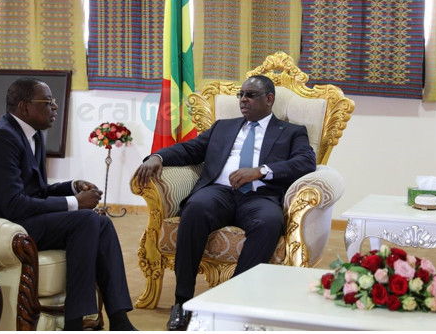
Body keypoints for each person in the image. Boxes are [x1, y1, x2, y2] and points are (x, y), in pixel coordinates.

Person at [0, 77, 137, 331]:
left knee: (101, 223)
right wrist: (75, 203)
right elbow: (15, 204)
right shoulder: (3, 139)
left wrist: (73, 187)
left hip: (18, 217)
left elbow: (36, 191)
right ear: (24, 107)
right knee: (85, 219)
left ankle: (119, 320)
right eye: (48, 102)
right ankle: (74, 322)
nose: (55, 107)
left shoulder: (35, 135)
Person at [134, 75, 316, 331]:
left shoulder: (292, 132)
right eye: (241, 95)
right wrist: (157, 157)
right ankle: (183, 303)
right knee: (196, 208)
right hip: (218, 192)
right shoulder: (224, 126)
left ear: (269, 99)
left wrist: (260, 170)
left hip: (259, 195)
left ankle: (234, 303)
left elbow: (306, 162)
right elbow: (189, 150)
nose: (243, 100)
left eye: (250, 95)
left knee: (269, 221)